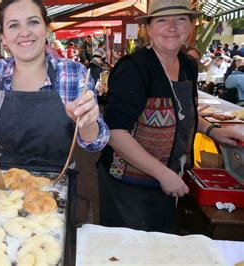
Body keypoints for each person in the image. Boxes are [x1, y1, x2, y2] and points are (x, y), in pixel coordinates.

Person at [98, 0, 244, 232]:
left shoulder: (187, 64)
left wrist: (213, 131)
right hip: (129, 183)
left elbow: (184, 112)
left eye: (180, 19)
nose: (172, 27)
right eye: (162, 20)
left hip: (170, 176)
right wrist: (163, 174)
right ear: (149, 28)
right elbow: (115, 133)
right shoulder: (133, 68)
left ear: (190, 27)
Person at [0, 0, 109, 167]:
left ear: (46, 29)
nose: (24, 32)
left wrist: (87, 122)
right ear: (3, 38)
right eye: (13, 25)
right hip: (3, 183)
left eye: (33, 22)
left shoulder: (74, 73)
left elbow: (95, 142)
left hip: (57, 183)